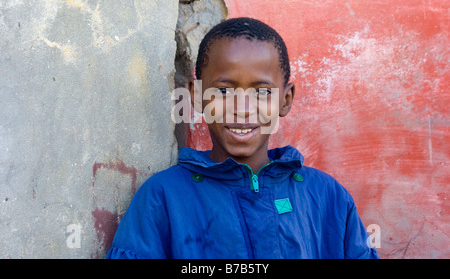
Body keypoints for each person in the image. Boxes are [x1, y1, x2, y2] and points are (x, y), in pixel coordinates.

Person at [105, 17, 379, 259]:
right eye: (224, 91)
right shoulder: (163, 197)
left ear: (285, 100)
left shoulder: (326, 197)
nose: (243, 108)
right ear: (198, 96)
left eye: (261, 92)